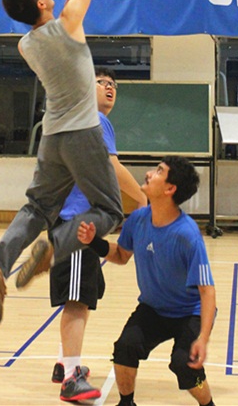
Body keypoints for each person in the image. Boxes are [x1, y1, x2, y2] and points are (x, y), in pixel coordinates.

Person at [0, 0, 124, 337]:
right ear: (42, 1)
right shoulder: (67, 24)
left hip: (51, 136)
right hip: (82, 133)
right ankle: (55, 246)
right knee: (110, 211)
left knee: (36, 208)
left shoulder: (25, 45)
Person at [78, 155, 217, 406]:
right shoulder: (138, 219)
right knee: (125, 348)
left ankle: (208, 405)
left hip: (189, 313)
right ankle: (126, 403)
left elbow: (207, 291)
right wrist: (94, 243)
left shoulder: (187, 235)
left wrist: (203, 338)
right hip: (154, 309)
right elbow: (121, 255)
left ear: (170, 189)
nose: (149, 174)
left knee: (185, 366)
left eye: (159, 171)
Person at [49, 66, 147, 402]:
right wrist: (143, 199)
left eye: (113, 84)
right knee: (77, 301)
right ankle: (71, 380)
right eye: (101, 82)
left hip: (77, 224)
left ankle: (64, 363)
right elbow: (112, 167)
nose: (109, 87)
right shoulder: (94, 120)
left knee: (86, 293)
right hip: (77, 225)